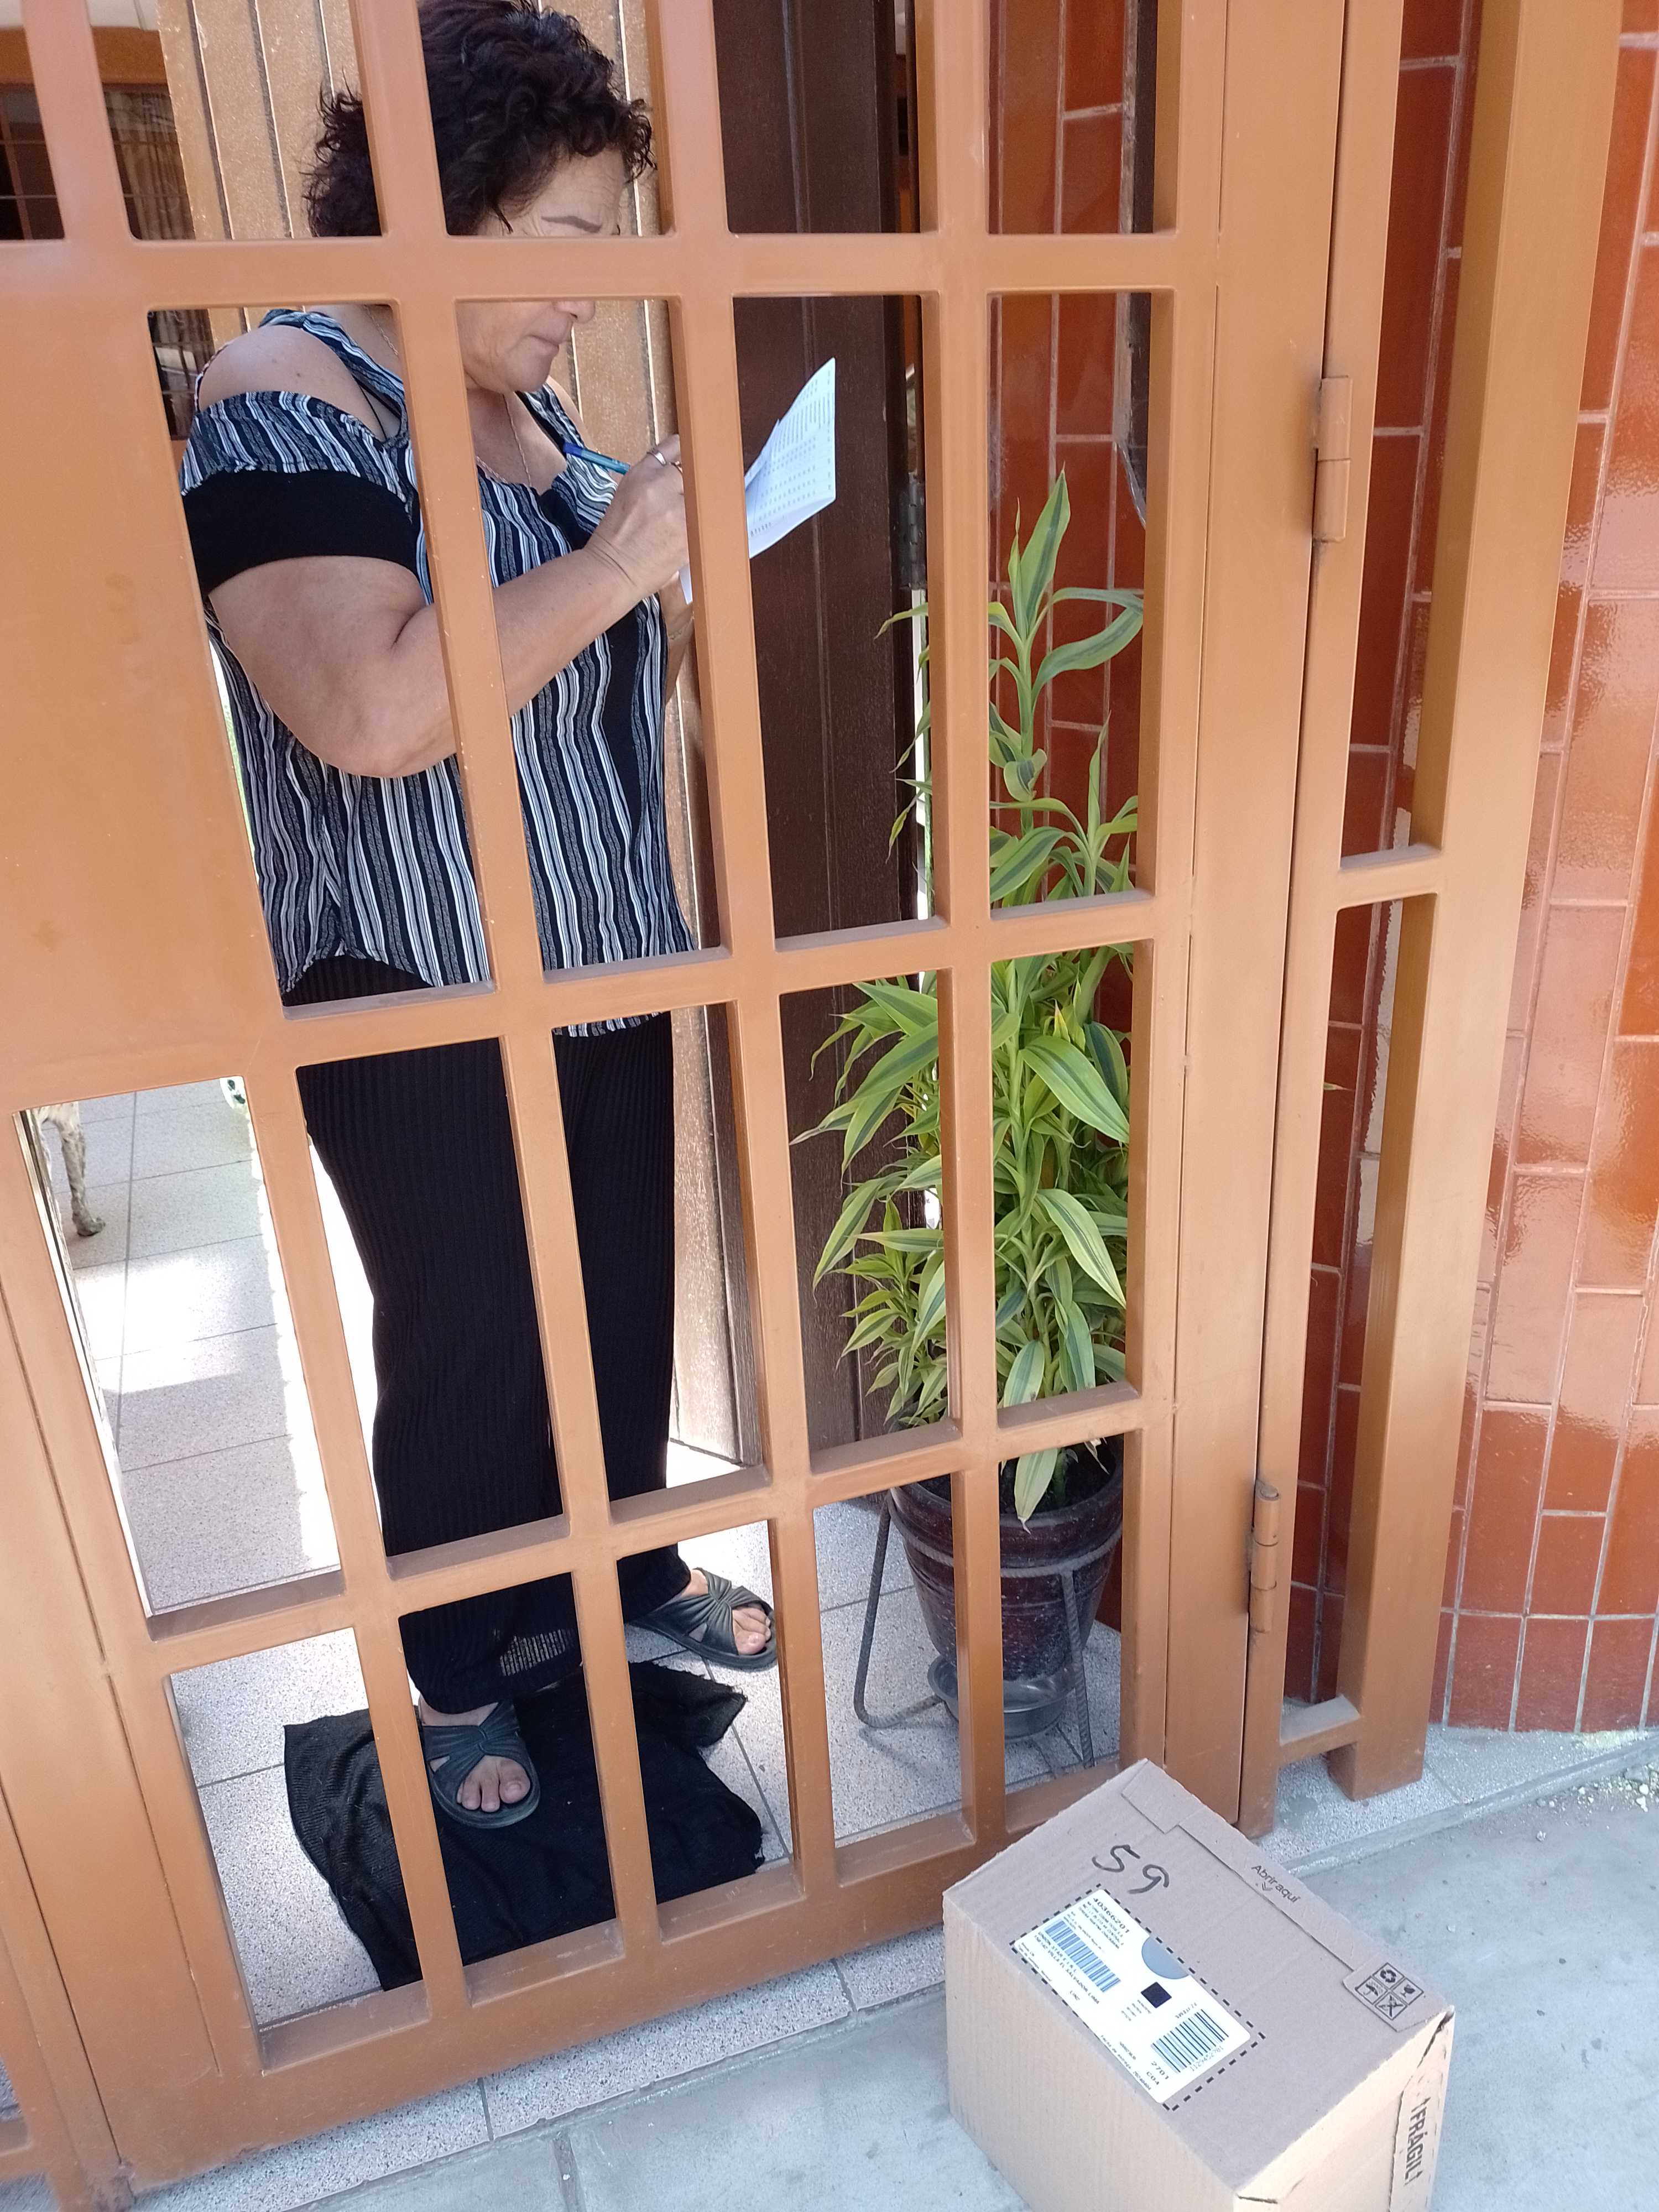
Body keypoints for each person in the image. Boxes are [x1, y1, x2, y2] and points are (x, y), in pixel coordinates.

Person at [179, 0, 774, 1833]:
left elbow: (579, 651)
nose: (589, 292)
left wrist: (669, 565)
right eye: (568, 241)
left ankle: (618, 1573)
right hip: (418, 982)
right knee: (469, 1340)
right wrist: (617, 562)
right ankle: (449, 1668)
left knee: (612, 1304)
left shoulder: (528, 410)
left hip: (601, 946)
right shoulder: (286, 395)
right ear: (444, 201)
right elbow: (365, 709)